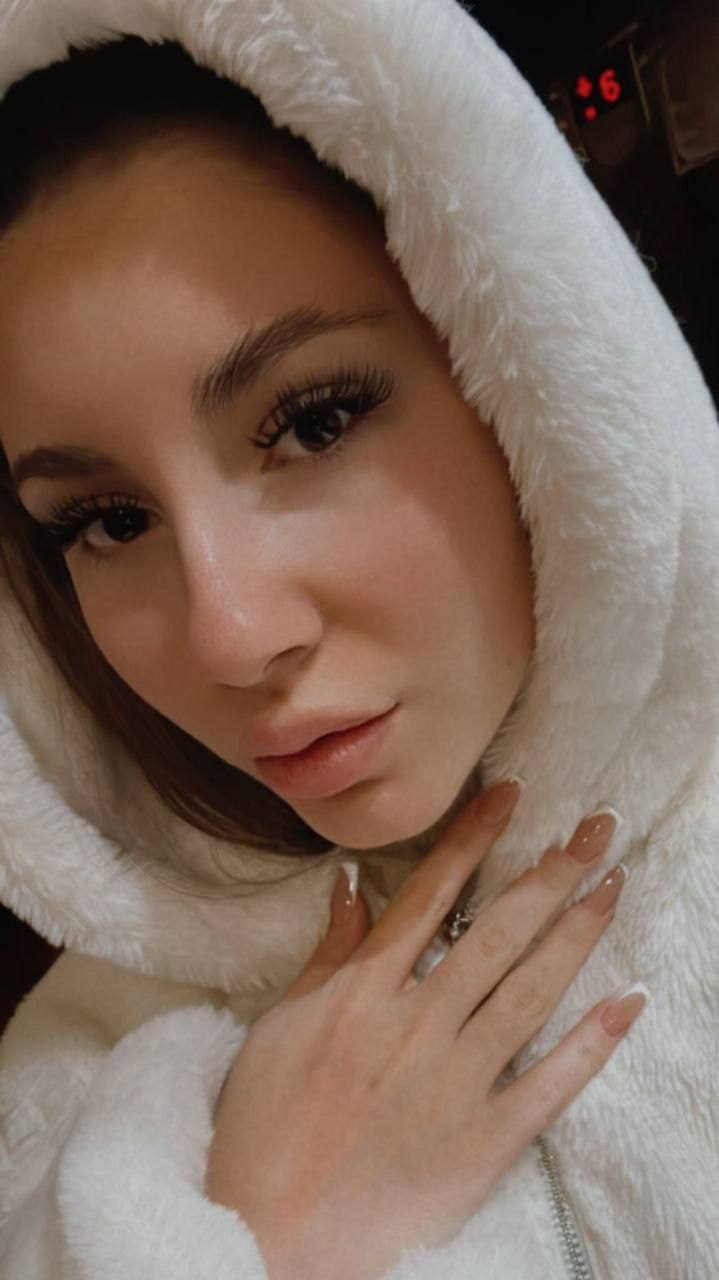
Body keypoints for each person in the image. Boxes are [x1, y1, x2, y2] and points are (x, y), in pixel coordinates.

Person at [0, 2, 716, 1278]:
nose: (230, 637)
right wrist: (261, 1239)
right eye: (106, 520)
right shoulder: (71, 1087)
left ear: (524, 366)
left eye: (314, 422)